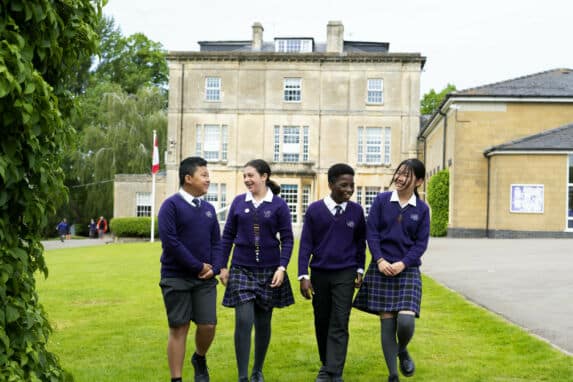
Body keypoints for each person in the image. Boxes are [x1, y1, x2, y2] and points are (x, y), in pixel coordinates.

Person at [353, 158, 430, 382]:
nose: (399, 177)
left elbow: (421, 243)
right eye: (399, 172)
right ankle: (393, 375)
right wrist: (379, 260)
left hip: (407, 270)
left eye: (407, 175)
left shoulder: (422, 209)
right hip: (381, 268)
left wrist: (403, 263)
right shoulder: (381, 200)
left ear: (419, 181)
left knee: (405, 322)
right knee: (387, 322)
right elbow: (372, 232)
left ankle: (402, 349)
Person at [220, 159, 295, 382]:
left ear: (264, 176)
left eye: (250, 175)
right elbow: (227, 237)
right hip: (241, 269)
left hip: (270, 271)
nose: (246, 180)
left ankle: (257, 371)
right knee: (243, 320)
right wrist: (223, 266)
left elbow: (288, 239)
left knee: (263, 323)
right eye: (244, 176)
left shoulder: (278, 205)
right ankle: (243, 376)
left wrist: (282, 267)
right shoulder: (237, 202)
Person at [298, 163, 366, 382]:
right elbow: (306, 244)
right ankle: (328, 365)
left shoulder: (356, 211)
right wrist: (303, 275)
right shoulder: (315, 210)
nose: (349, 189)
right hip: (319, 274)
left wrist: (359, 268)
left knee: (340, 320)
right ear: (331, 184)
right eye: (343, 185)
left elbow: (360, 243)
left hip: (345, 274)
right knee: (322, 320)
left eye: (352, 185)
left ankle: (334, 372)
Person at [158, 156, 222, 382]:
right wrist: (197, 266)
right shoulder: (170, 206)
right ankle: (176, 379)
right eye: (203, 175)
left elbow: (217, 242)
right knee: (179, 328)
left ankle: (199, 357)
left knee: (208, 325)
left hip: (205, 279)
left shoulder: (209, 209)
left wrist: (213, 269)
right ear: (188, 178)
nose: (208, 179)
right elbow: (171, 243)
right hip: (176, 277)